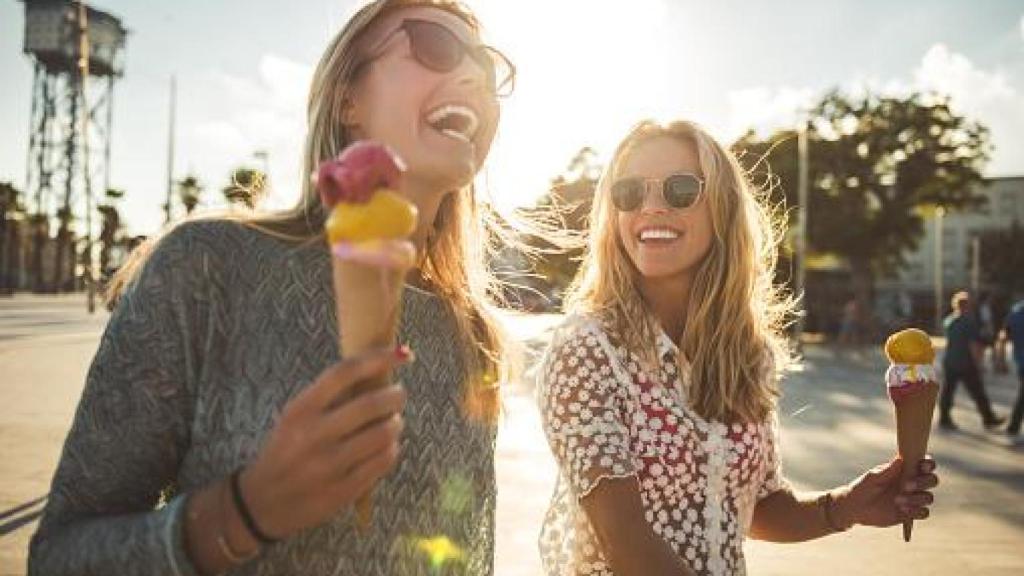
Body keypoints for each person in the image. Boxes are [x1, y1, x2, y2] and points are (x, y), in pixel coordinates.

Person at [28, 1, 516, 574]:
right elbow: (60, 555)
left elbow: (466, 559)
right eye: (436, 45)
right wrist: (243, 511)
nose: (472, 76)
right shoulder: (205, 267)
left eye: (489, 65)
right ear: (347, 99)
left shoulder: (471, 332)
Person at [536, 120, 939, 576]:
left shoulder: (747, 354)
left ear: (722, 209)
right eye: (628, 192)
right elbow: (628, 545)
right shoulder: (586, 349)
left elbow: (756, 507)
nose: (650, 207)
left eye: (680, 189)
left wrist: (846, 506)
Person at [939, 291, 1004, 431]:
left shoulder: (949, 321)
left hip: (950, 360)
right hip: (965, 362)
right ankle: (988, 418)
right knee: (978, 391)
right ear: (967, 305)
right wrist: (979, 363)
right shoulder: (969, 322)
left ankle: (944, 418)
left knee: (947, 392)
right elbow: (973, 345)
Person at [999, 294, 1024, 435]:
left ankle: (1013, 426)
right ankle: (1013, 426)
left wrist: (1001, 360)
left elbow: (1003, 338)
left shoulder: (1014, 313)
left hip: (1021, 361)